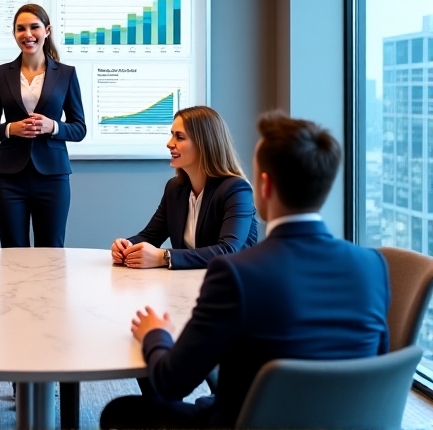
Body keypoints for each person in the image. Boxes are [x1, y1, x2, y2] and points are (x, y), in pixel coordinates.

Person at [100, 112, 390, 429]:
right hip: (350, 420)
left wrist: (155, 334)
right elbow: (377, 361)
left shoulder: (235, 273)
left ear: (264, 186)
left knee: (120, 411)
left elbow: (172, 383)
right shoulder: (373, 265)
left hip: (251, 420)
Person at [0, 3, 86, 248]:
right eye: (21, 29)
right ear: (14, 33)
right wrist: (10, 129)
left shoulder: (66, 74)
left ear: (47, 30)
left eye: (34, 27)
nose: (28, 34)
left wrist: (53, 126)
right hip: (8, 179)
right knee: (12, 250)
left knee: (51, 251)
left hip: (53, 177)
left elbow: (79, 128)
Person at [111, 105, 258, 270]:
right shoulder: (175, 188)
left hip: (233, 286)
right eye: (172, 135)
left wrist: (164, 257)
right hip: (190, 283)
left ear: (204, 144)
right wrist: (127, 246)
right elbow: (150, 236)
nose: (169, 144)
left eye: (179, 137)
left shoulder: (236, 189)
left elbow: (228, 249)